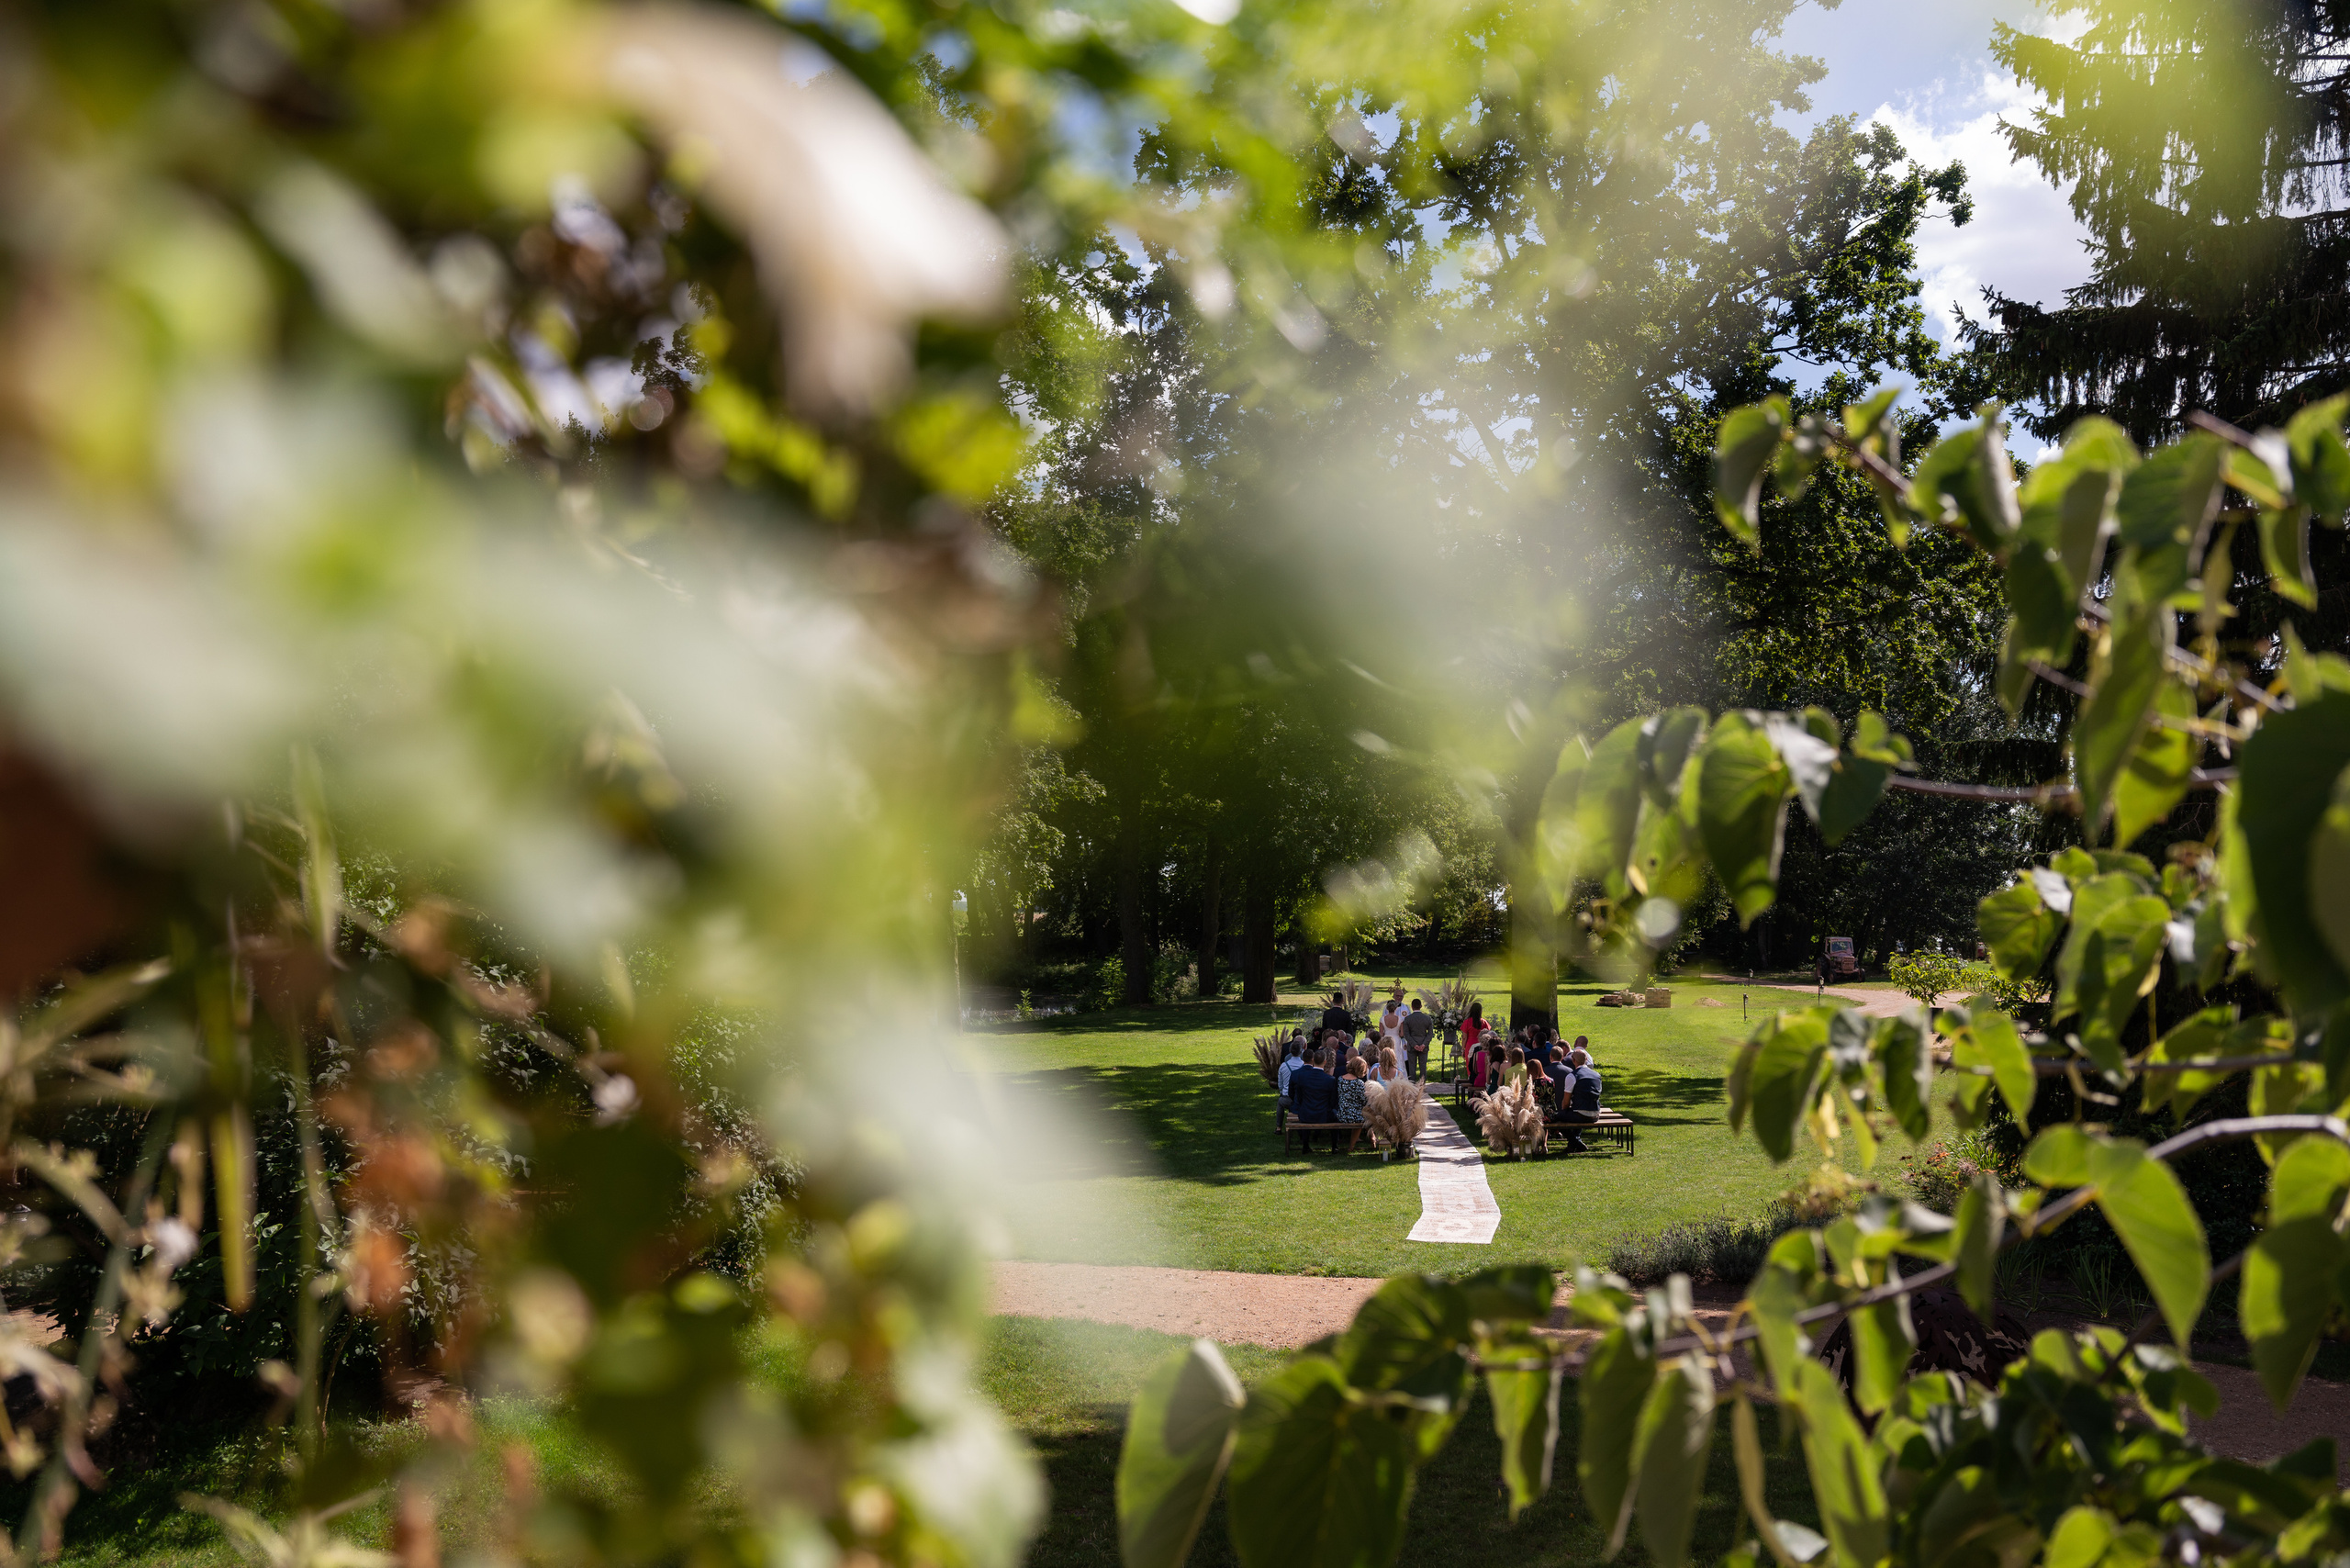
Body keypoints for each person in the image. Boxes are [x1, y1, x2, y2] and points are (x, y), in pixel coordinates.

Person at [1288, 1047, 1339, 1151]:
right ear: (1325, 1062)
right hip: (1324, 1114)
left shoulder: (1302, 1077)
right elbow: (1333, 1101)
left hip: (1306, 1113)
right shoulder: (1330, 1080)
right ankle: (1334, 1146)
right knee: (1335, 1116)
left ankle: (1305, 1145)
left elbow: (1299, 1096)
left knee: (1307, 1112)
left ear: (1313, 1060)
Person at [1559, 1047, 1604, 1152]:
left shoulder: (1572, 1076)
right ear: (1586, 1060)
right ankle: (1574, 1143)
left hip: (1580, 1114)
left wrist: (1564, 1110)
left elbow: (1565, 1102)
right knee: (1576, 1111)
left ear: (1573, 1060)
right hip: (1595, 1114)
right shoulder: (1597, 1075)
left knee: (1557, 1117)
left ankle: (1575, 1142)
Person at [1402, 998, 1435, 1081]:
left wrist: (1414, 1045)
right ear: (1421, 1006)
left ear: (1412, 1007)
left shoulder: (1408, 1019)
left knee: (1412, 1067)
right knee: (1423, 1067)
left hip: (1412, 1046)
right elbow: (1430, 1034)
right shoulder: (1427, 1018)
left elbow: (1406, 1034)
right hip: (1424, 1046)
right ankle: (1422, 1086)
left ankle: (1412, 1085)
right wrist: (1424, 1044)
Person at [1336, 1058, 1370, 1126]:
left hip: (1342, 1114)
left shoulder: (1340, 1079)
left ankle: (1356, 1136)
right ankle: (1356, 1137)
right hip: (1356, 1116)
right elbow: (1364, 1101)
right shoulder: (1359, 1083)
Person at [1277, 1036, 1305, 1109]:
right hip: (1302, 1098)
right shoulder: (1304, 1065)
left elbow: (1280, 1084)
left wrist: (1283, 1092)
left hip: (1287, 1097)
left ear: (1290, 1051)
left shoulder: (1283, 1066)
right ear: (1301, 1051)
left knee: (1280, 1101)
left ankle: (1279, 1121)